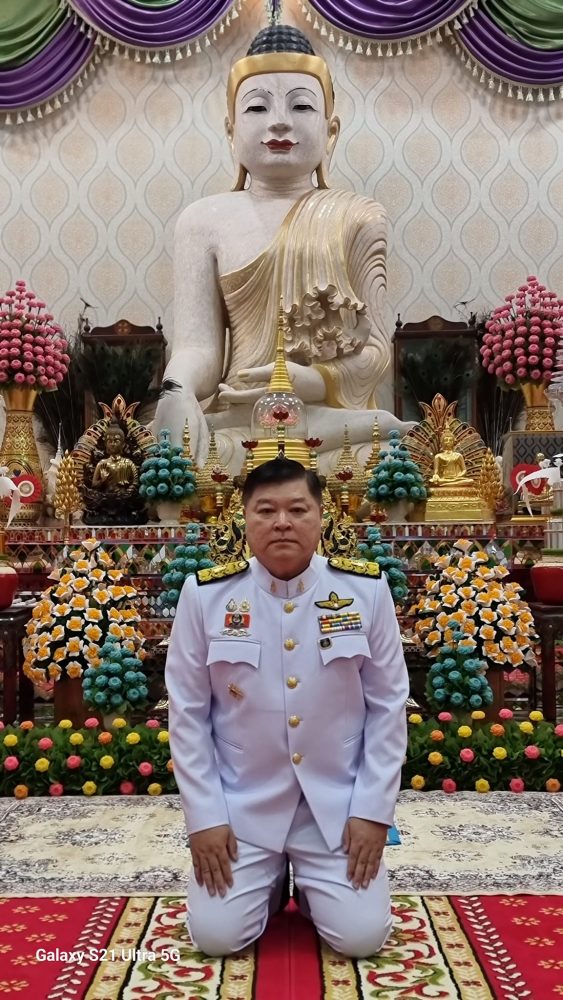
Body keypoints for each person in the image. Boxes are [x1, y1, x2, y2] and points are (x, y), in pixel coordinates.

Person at [165, 456, 409, 957]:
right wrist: (205, 818)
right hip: (243, 808)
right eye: (266, 510)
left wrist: (372, 811)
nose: (282, 522)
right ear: (244, 518)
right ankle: (273, 888)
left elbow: (388, 705)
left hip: (336, 809)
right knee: (216, 938)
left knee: (362, 939)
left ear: (321, 516)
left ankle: (317, 892)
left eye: (297, 509)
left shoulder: (364, 591)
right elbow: (187, 713)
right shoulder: (207, 596)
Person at [153, 22, 414, 475]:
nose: (279, 121)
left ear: (330, 130)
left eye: (301, 105)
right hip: (241, 419)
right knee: (187, 454)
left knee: (385, 448)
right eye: (257, 107)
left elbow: (374, 352)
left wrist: (309, 381)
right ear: (231, 129)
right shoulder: (203, 220)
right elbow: (200, 348)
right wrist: (176, 389)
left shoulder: (359, 216)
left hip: (322, 417)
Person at [91, 423, 138, 491]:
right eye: (109, 441)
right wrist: (102, 480)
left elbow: (135, 483)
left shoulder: (129, 463)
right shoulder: (102, 464)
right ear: (105, 444)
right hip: (106, 496)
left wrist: (131, 489)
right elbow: (94, 485)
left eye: (116, 441)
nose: (113, 444)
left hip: (124, 496)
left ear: (123, 444)